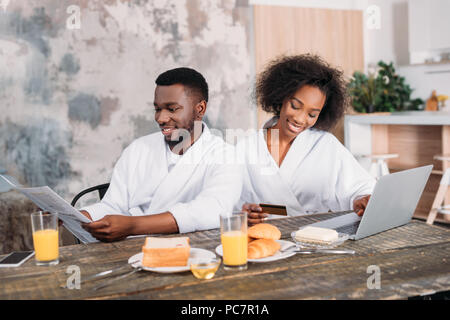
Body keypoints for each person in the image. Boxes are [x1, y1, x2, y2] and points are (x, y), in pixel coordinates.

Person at [79, 67, 242, 241]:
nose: (161, 118)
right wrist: (76, 216)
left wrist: (133, 226)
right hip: (127, 251)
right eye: (157, 109)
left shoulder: (225, 156)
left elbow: (211, 210)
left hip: (193, 251)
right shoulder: (138, 149)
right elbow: (113, 205)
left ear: (200, 109)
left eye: (172, 109)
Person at [236, 54, 376, 225]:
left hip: (318, 236)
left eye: (312, 114)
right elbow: (228, 200)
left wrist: (361, 200)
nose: (301, 119)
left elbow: (360, 187)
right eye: (295, 106)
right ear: (281, 98)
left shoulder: (326, 145)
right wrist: (244, 211)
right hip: (265, 238)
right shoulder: (245, 148)